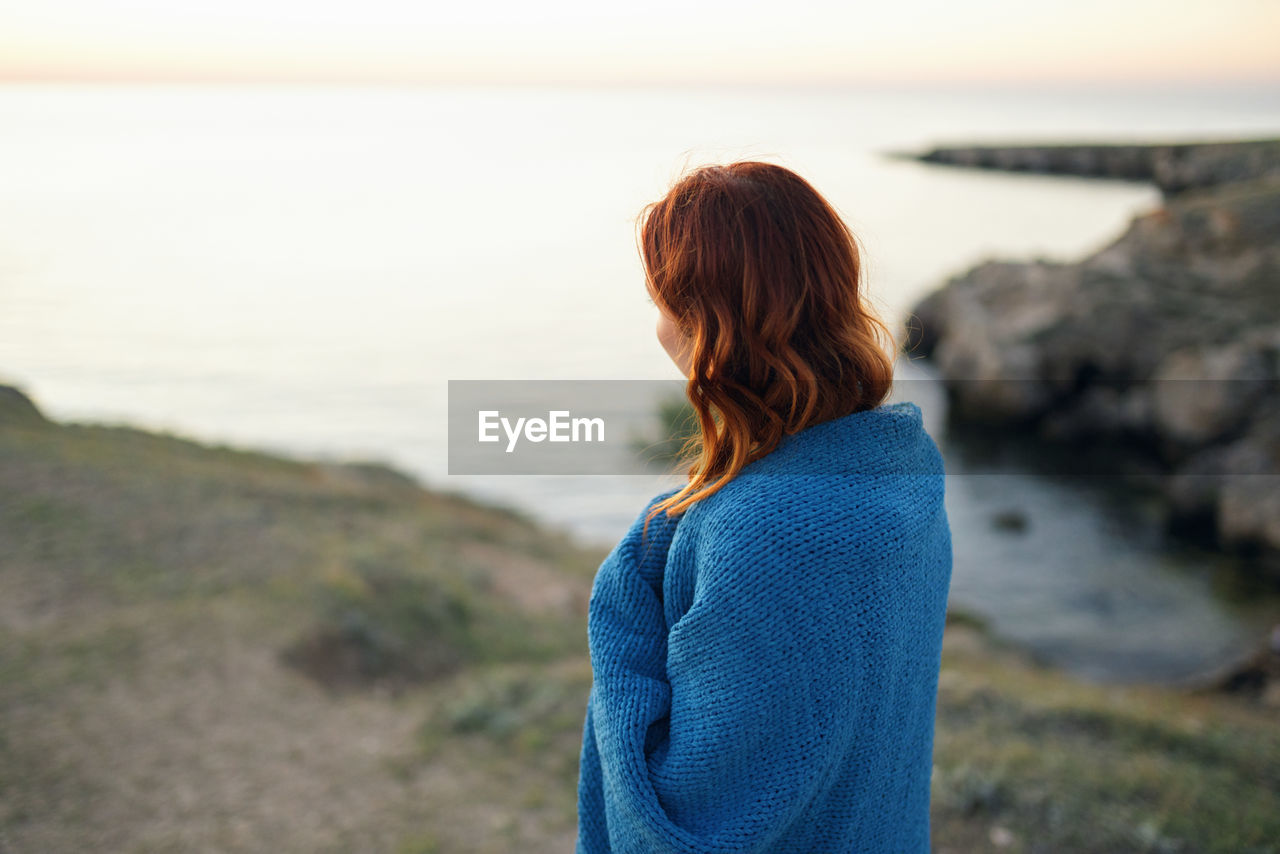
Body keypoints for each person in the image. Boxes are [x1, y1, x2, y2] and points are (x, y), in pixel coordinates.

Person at [575, 161, 952, 853]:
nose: (658, 327)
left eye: (663, 302)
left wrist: (627, 589)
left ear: (707, 323)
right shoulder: (904, 470)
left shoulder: (757, 533)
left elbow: (686, 828)